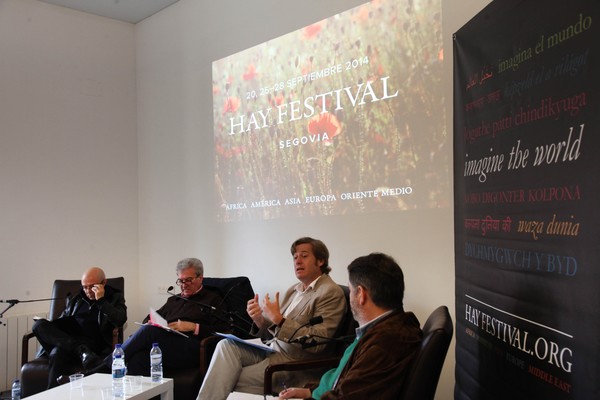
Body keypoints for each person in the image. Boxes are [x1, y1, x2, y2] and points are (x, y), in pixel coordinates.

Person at [196, 237, 346, 400]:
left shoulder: (330, 292)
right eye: (295, 257)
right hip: (271, 350)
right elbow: (276, 330)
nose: (297, 261)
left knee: (226, 377)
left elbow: (318, 342)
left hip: (293, 364)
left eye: (304, 256)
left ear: (321, 261)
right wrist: (259, 319)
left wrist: (280, 320)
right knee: (226, 345)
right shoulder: (294, 290)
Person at [278, 252, 423, 400]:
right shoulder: (381, 329)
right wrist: (311, 392)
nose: (350, 296)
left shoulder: (385, 344)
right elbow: (343, 378)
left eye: (351, 290)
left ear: (360, 294)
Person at [91, 257, 230, 376]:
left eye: (188, 280)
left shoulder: (213, 300)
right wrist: (150, 321)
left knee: (148, 332)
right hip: (167, 345)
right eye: (180, 281)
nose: (184, 285)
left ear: (200, 278)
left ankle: (104, 368)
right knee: (138, 358)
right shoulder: (174, 300)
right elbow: (151, 317)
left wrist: (194, 327)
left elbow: (225, 331)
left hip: (193, 348)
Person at [32, 266, 127, 389]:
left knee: (58, 352)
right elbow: (62, 320)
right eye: (84, 287)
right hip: (71, 341)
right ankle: (81, 350)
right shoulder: (76, 299)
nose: (87, 291)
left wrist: (101, 301)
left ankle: (53, 393)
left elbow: (120, 319)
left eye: (92, 287)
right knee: (38, 325)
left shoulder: (114, 297)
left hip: (95, 344)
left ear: (103, 282)